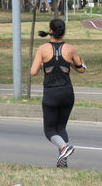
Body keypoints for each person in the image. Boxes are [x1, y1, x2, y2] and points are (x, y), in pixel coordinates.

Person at [30, 19, 86, 168]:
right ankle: (63, 163)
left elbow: (33, 72)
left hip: (51, 94)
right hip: (68, 93)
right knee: (61, 128)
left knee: (49, 130)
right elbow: (81, 69)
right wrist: (71, 64)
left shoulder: (42, 49)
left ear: (50, 31)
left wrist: (44, 65)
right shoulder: (70, 49)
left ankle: (63, 148)